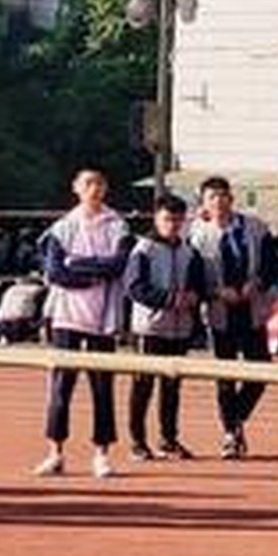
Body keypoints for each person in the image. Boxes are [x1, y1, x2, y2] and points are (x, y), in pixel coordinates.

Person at [33, 167, 133, 480]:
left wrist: (78, 265)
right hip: (66, 317)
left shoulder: (117, 225)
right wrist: (91, 274)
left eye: (100, 183)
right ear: (76, 188)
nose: (94, 188)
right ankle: (55, 451)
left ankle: (101, 453)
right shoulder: (63, 227)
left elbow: (118, 265)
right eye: (88, 183)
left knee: (102, 387)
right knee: (61, 386)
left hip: (103, 318)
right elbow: (56, 272)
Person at [191, 175, 278, 459]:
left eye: (222, 195)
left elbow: (272, 265)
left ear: (231, 198)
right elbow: (192, 278)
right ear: (203, 203)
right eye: (211, 197)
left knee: (261, 370)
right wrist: (216, 292)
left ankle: (236, 418)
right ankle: (230, 434)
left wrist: (259, 284)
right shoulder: (197, 235)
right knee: (225, 377)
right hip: (220, 313)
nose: (218, 201)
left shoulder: (254, 227)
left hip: (252, 309)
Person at [123, 194, 208, 462]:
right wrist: (169, 299)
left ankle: (168, 439)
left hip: (179, 329)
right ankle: (137, 441)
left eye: (178, 220)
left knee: (172, 387)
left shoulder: (189, 252)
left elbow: (198, 286)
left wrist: (195, 297)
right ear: (157, 218)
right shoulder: (143, 250)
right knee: (142, 385)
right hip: (150, 328)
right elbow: (135, 288)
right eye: (167, 219)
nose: (173, 225)